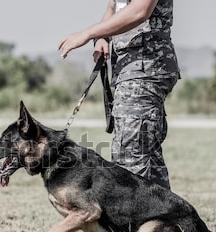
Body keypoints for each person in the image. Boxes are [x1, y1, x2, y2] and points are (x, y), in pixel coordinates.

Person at [58, 0, 180, 189]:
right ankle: (167, 219)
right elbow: (112, 7)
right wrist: (102, 38)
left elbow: (140, 10)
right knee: (148, 160)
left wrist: (88, 33)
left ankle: (134, 219)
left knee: (129, 163)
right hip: (132, 69)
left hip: (145, 66)